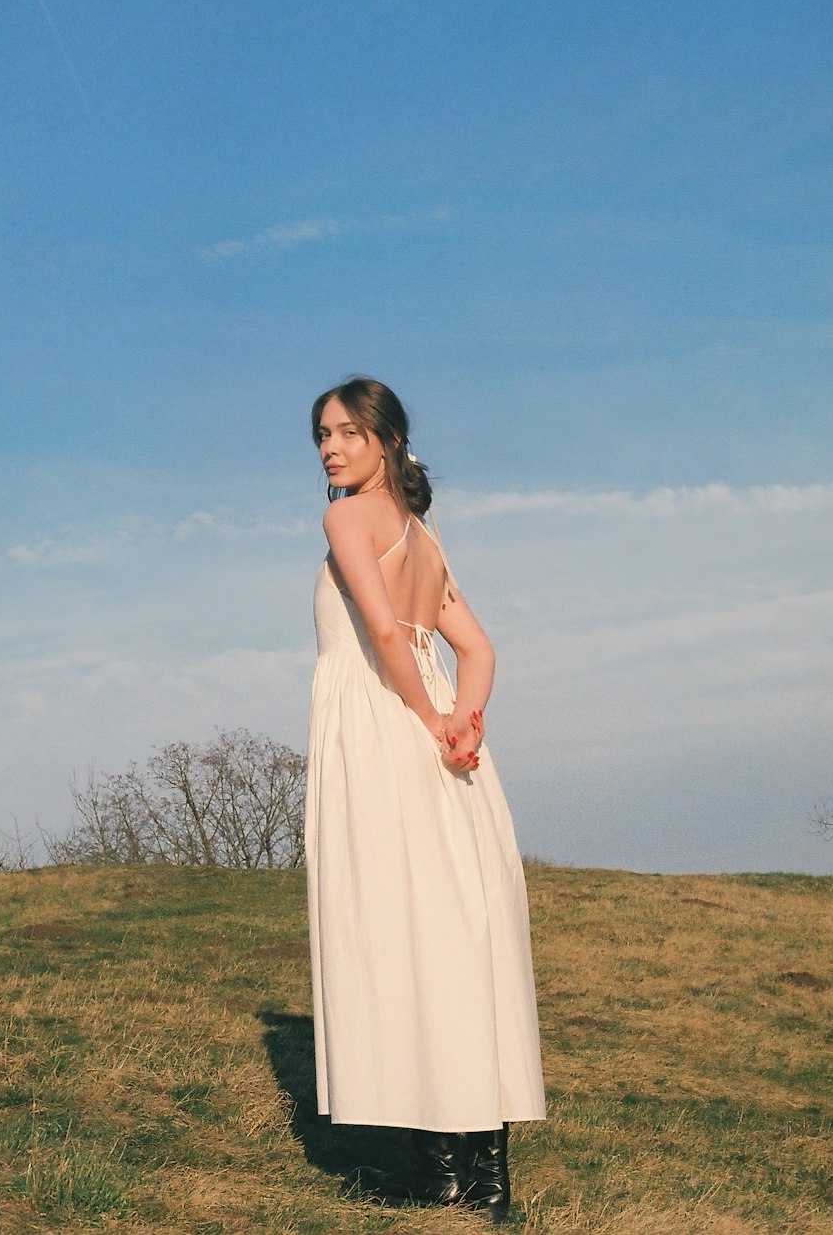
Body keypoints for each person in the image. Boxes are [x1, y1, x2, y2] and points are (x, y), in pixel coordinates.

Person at [304, 377, 545, 1220]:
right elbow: (478, 649)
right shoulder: (428, 540)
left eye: (346, 432)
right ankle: (472, 1171)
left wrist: (432, 715)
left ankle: (444, 1165)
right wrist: (464, 722)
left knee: (402, 933)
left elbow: (379, 634)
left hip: (384, 731)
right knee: (458, 935)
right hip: (447, 747)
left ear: (388, 439)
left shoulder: (345, 519)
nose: (330, 447)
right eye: (321, 436)